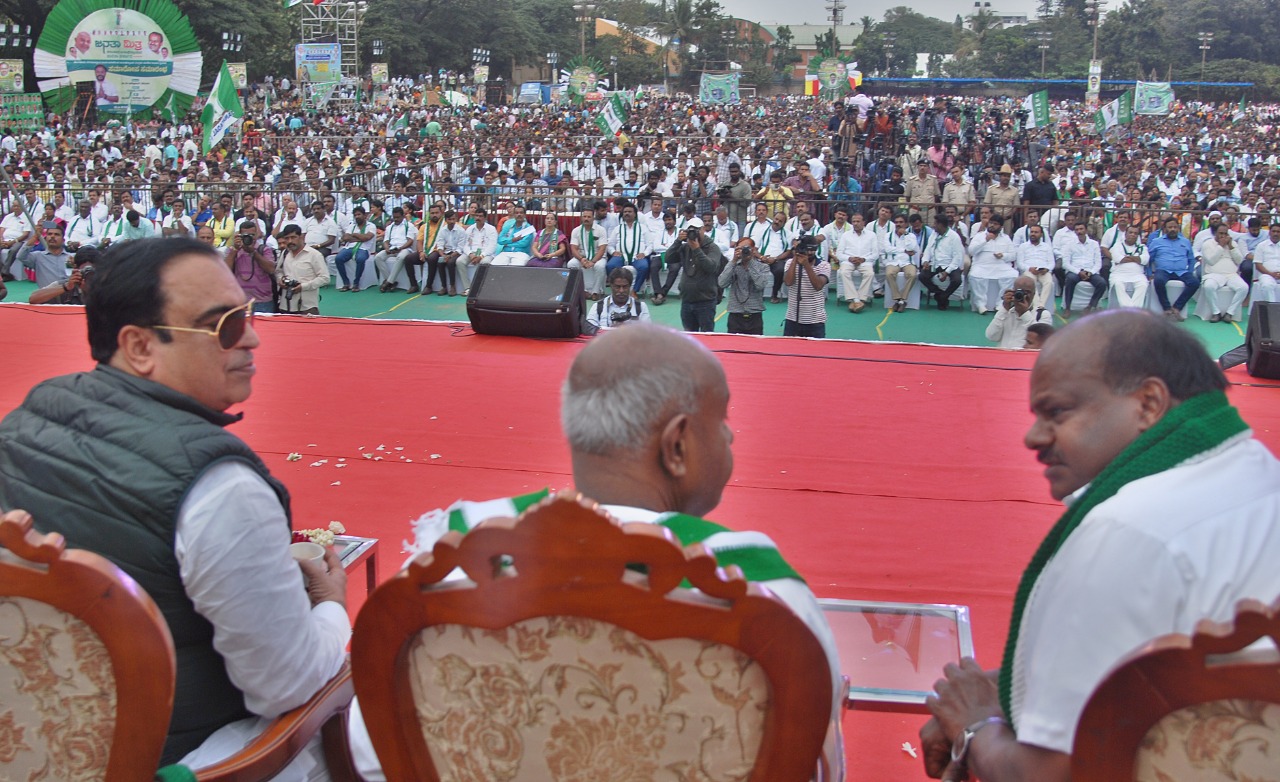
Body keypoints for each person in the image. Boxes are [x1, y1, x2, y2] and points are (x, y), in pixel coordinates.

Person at [347, 323, 845, 782]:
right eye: (723, 420)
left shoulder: (454, 557)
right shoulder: (762, 594)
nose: (731, 434)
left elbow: (374, 754)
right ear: (676, 445)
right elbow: (814, 769)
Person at [0, 238, 350, 775]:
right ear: (140, 346)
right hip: (164, 756)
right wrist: (329, 606)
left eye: (250, 314)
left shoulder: (26, 421)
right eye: (226, 325)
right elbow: (286, 683)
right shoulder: (219, 487)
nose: (253, 338)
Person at [919, 310, 1280, 782]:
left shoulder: (1128, 530)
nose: (1033, 437)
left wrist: (975, 726)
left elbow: (1052, 774)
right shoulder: (1254, 472)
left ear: (1148, 403)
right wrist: (1010, 686)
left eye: (1057, 412)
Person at [666, 218, 723, 332]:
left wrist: (697, 249)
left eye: (696, 230)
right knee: (689, 337)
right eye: (691, 230)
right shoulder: (685, 247)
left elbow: (711, 267)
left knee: (707, 337)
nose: (694, 233)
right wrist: (678, 241)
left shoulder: (713, 247)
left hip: (705, 302)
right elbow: (668, 258)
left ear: (703, 230)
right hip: (687, 301)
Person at [1147, 216, 1199, 320]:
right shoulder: (1157, 242)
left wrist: (1189, 272)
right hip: (1163, 270)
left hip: (1181, 271)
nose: (1172, 229)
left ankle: (1176, 308)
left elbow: (1191, 259)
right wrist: (1149, 274)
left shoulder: (1185, 242)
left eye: (1175, 227)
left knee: (1195, 283)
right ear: (1165, 229)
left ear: (1178, 228)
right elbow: (1149, 259)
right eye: (1170, 227)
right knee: (1158, 281)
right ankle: (1166, 309)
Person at [718, 237, 771, 334]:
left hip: (755, 314)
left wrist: (750, 262)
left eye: (746, 248)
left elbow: (760, 285)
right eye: (740, 248)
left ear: (754, 250)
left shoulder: (763, 267)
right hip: (735, 315)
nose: (744, 251)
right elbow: (721, 283)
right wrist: (734, 260)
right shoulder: (733, 266)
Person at [783, 234, 831, 338]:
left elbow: (818, 286)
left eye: (812, 250)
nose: (809, 253)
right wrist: (795, 258)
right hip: (793, 318)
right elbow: (788, 282)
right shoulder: (790, 263)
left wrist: (806, 265)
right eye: (806, 249)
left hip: (815, 320)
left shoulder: (823, 265)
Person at [985, 275, 1052, 349]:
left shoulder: (1042, 315)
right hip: (1003, 357)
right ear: (1013, 292)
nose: (1023, 295)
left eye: (1027, 292)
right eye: (1019, 291)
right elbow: (991, 336)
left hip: (1025, 358)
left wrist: (1024, 313)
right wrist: (1004, 309)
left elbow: (1042, 341)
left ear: (1034, 294)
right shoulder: (1006, 312)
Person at [275, 224, 329, 315]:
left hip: (307, 307)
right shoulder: (285, 253)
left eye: (293, 237)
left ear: (301, 237)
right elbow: (278, 271)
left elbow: (325, 278)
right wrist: (280, 280)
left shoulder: (314, 255)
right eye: (287, 238)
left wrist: (303, 286)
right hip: (286, 305)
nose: (290, 241)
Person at [1200, 223, 1248, 322]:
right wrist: (1221, 246)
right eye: (1220, 233)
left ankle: (1230, 313)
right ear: (1215, 234)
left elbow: (1239, 260)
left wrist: (1231, 247)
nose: (1223, 236)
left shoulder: (1232, 243)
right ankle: (1216, 312)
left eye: (1225, 233)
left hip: (1231, 275)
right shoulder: (1207, 244)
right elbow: (1211, 261)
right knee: (1209, 286)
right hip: (1213, 275)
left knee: (1244, 288)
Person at [835, 211, 880, 313]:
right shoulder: (846, 235)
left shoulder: (871, 235)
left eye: (858, 221)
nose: (855, 223)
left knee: (870, 273)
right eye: (854, 221)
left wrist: (863, 259)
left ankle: (859, 299)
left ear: (864, 222)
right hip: (848, 261)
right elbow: (839, 253)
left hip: (865, 261)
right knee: (843, 272)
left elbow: (875, 254)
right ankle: (856, 299)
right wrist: (850, 258)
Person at [919, 214, 966, 310]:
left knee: (957, 280)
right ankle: (939, 294)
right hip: (935, 264)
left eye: (935, 223)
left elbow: (957, 257)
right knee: (922, 276)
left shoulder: (954, 237)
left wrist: (947, 272)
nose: (933, 225)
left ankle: (944, 296)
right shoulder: (933, 235)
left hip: (949, 264)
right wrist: (925, 262)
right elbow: (928, 250)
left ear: (941, 225)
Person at [607, 202, 654, 293]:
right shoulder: (618, 228)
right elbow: (610, 244)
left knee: (644, 267)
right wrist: (613, 252)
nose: (627, 213)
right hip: (620, 256)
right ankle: (617, 290)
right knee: (610, 266)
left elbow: (650, 244)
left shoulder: (643, 228)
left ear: (635, 214)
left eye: (629, 211)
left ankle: (634, 291)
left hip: (637, 256)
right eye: (625, 212)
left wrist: (644, 254)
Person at [1060, 222, 1105, 315]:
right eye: (1077, 230)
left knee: (1102, 283)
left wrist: (1090, 273)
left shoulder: (1094, 244)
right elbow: (1065, 264)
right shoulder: (1069, 245)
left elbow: (1098, 263)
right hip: (1075, 271)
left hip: (1090, 271)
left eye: (1081, 229)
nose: (1079, 232)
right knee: (1070, 280)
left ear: (1086, 230)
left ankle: (1090, 306)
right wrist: (1078, 272)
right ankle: (1067, 308)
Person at [586, 267, 650, 332]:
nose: (621, 291)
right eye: (617, 287)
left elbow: (647, 333)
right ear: (611, 286)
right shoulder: (597, 307)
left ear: (630, 286)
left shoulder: (641, 307)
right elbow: (589, 331)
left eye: (625, 287)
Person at [28, 246, 98, 305]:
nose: (88, 275)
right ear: (76, 268)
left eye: (92, 272)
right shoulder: (68, 285)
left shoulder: (106, 288)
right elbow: (33, 299)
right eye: (85, 271)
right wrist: (66, 287)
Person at [882, 213, 920, 312]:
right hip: (893, 261)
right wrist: (904, 250)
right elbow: (888, 249)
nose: (898, 224)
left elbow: (912, 248)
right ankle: (899, 299)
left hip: (908, 261)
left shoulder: (910, 235)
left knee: (912, 274)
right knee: (889, 273)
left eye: (901, 222)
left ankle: (901, 300)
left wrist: (905, 235)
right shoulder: (888, 235)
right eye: (896, 222)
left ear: (906, 224)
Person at [333, 205, 376, 292]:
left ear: (365, 215)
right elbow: (345, 238)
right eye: (355, 215)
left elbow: (367, 238)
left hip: (364, 249)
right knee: (338, 258)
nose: (357, 217)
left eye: (359, 214)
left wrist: (354, 235)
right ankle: (346, 283)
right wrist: (360, 237)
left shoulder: (371, 226)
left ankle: (356, 283)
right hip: (349, 247)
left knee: (360, 259)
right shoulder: (352, 225)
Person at [569, 208, 609, 299]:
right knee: (571, 264)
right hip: (582, 256)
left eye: (589, 217)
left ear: (593, 218)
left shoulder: (601, 230)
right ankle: (581, 291)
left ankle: (596, 292)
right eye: (584, 216)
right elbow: (573, 248)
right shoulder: (576, 230)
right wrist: (581, 259)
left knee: (600, 266)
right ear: (581, 218)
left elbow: (602, 249)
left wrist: (593, 261)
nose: (586, 219)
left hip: (598, 257)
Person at [1107, 224, 1150, 309]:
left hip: (1138, 275)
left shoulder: (1142, 247)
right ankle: (1132, 310)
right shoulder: (1117, 245)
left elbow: (1145, 260)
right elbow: (1117, 258)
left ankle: (1130, 310)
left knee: (1143, 284)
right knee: (1117, 284)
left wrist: (1126, 258)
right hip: (1119, 274)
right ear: (1125, 234)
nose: (1133, 235)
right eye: (1130, 232)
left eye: (1135, 233)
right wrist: (1137, 259)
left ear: (1138, 236)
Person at [1014, 224, 1056, 311]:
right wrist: (1030, 268)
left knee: (1049, 282)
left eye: (1036, 232)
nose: (1033, 234)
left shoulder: (1046, 247)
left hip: (1043, 271)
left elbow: (1052, 263)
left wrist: (1047, 269)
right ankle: (1037, 305)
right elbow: (1020, 263)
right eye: (1032, 232)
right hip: (1029, 270)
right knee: (1031, 283)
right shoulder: (1023, 246)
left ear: (1041, 234)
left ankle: (1041, 305)